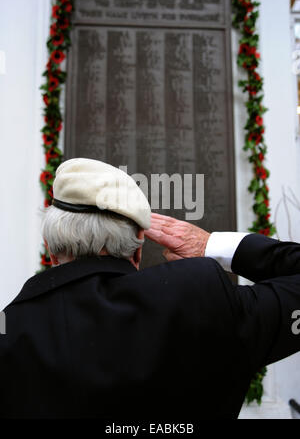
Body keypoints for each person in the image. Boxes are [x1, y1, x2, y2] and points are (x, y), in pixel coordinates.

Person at [0, 157, 300, 420]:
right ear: (138, 251)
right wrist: (211, 246)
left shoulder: (9, 330)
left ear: (51, 250)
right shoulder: (204, 299)